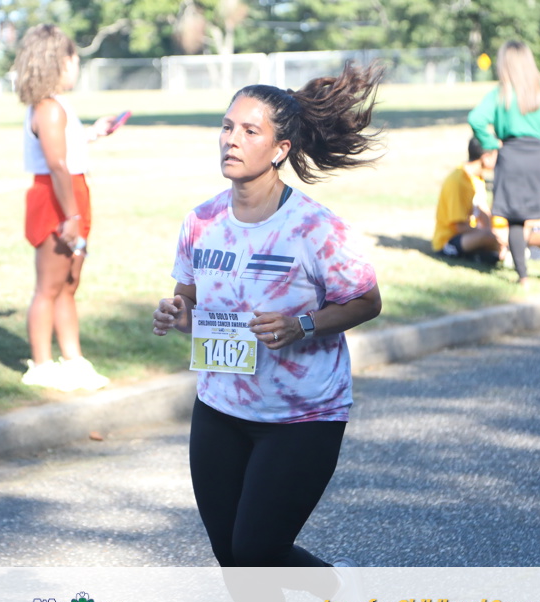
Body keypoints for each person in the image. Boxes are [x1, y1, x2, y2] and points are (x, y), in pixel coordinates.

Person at [151, 63, 383, 570]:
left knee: (257, 550)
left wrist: (301, 325)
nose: (231, 139)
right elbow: (188, 302)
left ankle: (345, 590)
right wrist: (176, 312)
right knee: (230, 556)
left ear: (280, 149)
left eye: (249, 131)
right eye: (227, 127)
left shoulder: (315, 227)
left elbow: (367, 301)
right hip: (219, 408)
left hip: (301, 417)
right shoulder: (202, 221)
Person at [12, 25, 116, 392]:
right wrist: (71, 217)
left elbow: (67, 148)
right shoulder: (48, 108)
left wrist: (94, 132)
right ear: (58, 62)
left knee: (69, 284)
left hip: (71, 195)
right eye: (74, 60)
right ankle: (41, 365)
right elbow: (57, 165)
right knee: (49, 286)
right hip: (57, 200)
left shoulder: (56, 105)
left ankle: (73, 360)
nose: (77, 67)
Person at [468, 41, 540, 290]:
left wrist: (491, 143)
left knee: (515, 219)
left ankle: (523, 278)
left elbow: (476, 118)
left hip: (511, 157)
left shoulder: (501, 93)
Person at [432, 137, 504, 264]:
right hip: (449, 241)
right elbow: (458, 226)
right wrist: (491, 236)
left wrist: (493, 233)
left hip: (471, 234)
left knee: (502, 233)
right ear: (486, 157)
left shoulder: (477, 178)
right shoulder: (458, 181)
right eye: (497, 154)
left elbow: (483, 212)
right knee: (490, 237)